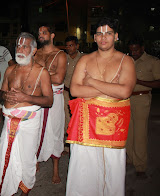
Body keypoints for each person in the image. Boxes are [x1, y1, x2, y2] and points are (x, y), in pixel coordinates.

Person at [65, 17, 136, 195]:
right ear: (94, 38)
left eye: (108, 33)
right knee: (83, 170)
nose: (104, 37)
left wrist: (92, 82)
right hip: (86, 124)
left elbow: (125, 91)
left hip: (113, 127)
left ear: (116, 36)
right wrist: (109, 91)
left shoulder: (125, 61)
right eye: (99, 34)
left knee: (112, 172)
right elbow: (74, 89)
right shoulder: (85, 60)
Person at [0, 32, 53, 196]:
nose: (20, 49)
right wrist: (5, 96)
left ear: (34, 50)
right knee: (5, 157)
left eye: (25, 46)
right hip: (8, 123)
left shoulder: (41, 72)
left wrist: (25, 97)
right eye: (18, 45)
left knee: (27, 159)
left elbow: (49, 101)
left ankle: (25, 190)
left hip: (29, 123)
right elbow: (0, 94)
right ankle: (9, 189)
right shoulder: (10, 70)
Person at [34, 25, 67, 184]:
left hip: (55, 98)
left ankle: (55, 169)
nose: (40, 35)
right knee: (36, 128)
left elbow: (59, 78)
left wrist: (39, 76)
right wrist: (48, 76)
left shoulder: (60, 55)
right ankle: (36, 160)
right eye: (39, 33)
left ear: (52, 35)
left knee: (55, 130)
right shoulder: (36, 53)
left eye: (44, 32)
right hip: (37, 96)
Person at [126, 37, 160, 179]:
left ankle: (141, 166)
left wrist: (138, 81)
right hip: (126, 98)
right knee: (128, 132)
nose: (133, 53)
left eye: (136, 50)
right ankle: (130, 159)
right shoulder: (127, 60)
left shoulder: (153, 61)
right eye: (131, 50)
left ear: (142, 48)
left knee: (140, 134)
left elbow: (158, 83)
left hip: (142, 98)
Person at [63, 36, 86, 154]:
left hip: (80, 94)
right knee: (67, 119)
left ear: (77, 46)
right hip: (66, 92)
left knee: (80, 119)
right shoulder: (63, 58)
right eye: (67, 46)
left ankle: (80, 145)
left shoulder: (84, 58)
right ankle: (67, 145)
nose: (68, 48)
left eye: (71, 45)